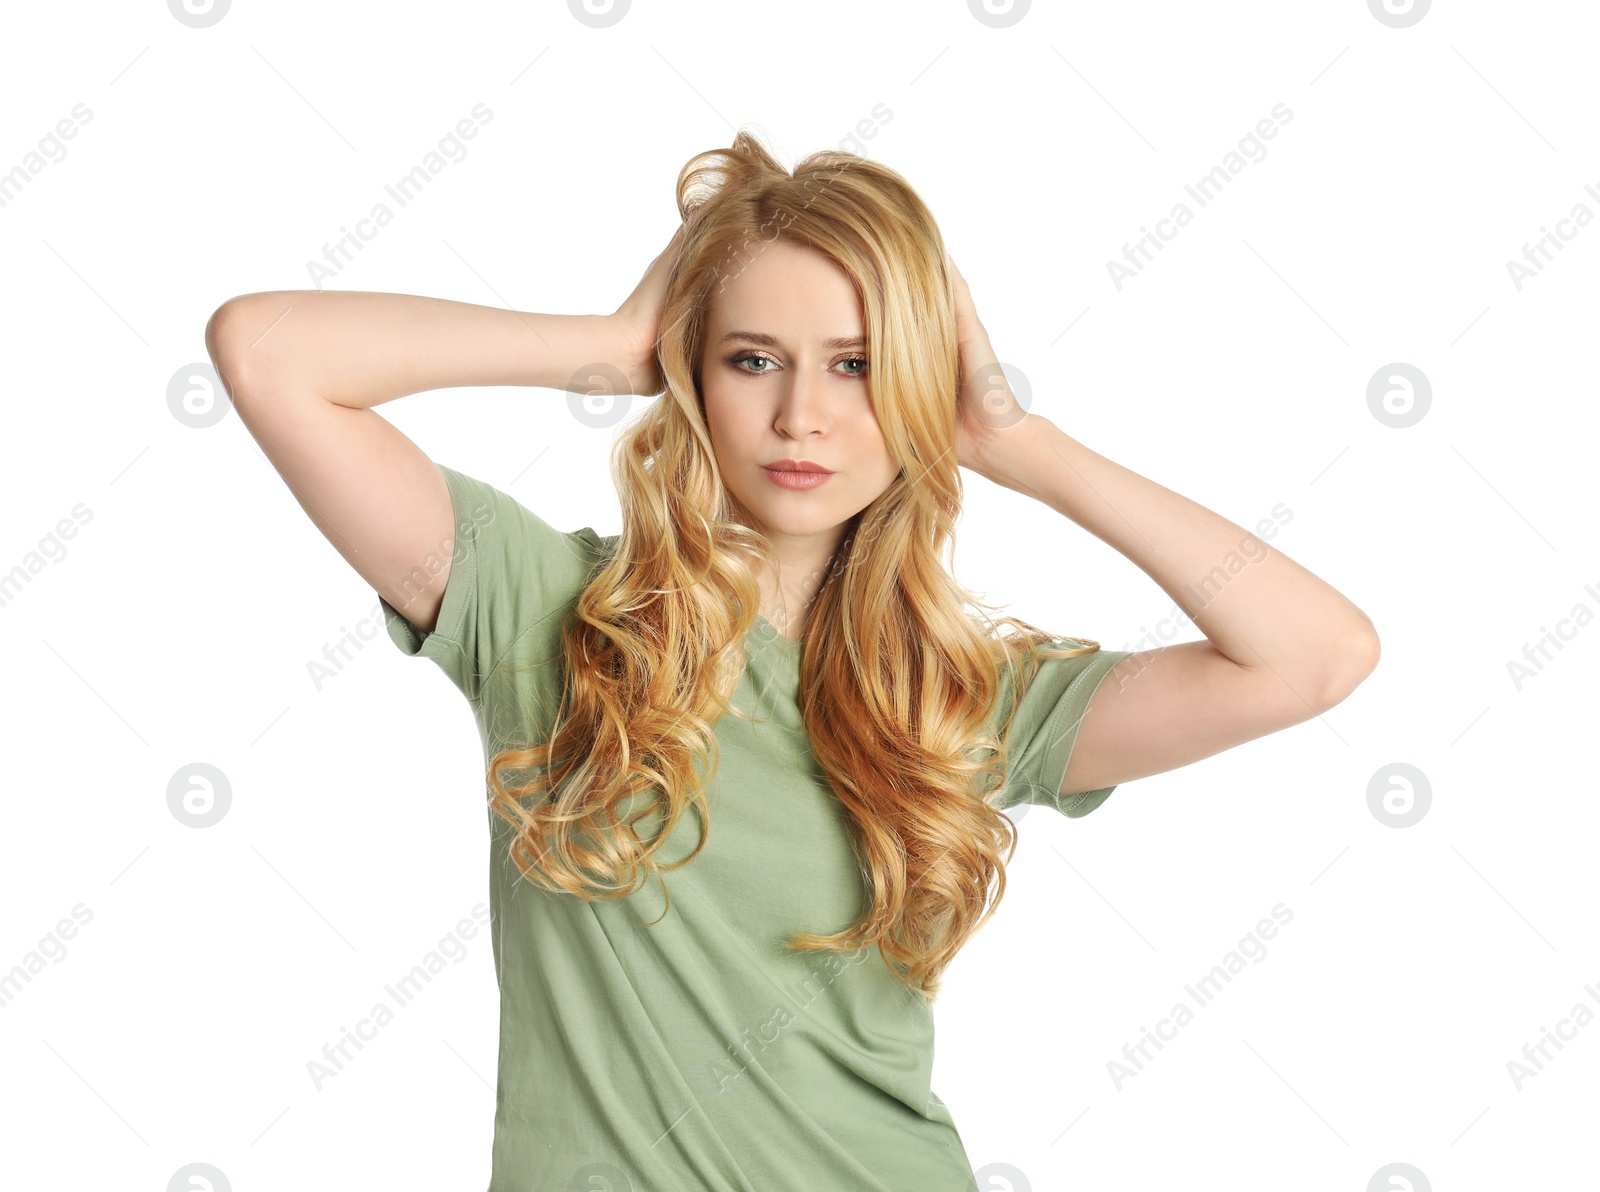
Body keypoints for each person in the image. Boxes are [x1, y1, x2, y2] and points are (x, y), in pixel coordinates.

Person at [204, 128, 1379, 1192]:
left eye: (858, 364)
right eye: (754, 359)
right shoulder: (544, 609)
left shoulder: (967, 699)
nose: (801, 416)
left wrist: (1016, 440)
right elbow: (266, 355)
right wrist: (610, 346)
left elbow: (1315, 655)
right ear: (693, 374)